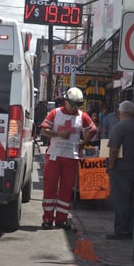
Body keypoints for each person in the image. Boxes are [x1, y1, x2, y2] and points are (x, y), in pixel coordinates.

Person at [40, 87, 97, 230]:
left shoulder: (82, 116)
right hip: (54, 156)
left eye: (78, 105)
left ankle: (61, 220)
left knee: (66, 189)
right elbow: (43, 130)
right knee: (50, 187)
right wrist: (59, 135)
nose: (74, 108)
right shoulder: (55, 113)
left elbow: (93, 129)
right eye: (73, 105)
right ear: (66, 102)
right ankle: (47, 218)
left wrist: (83, 144)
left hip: (71, 157)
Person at [106, 101, 134, 240]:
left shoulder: (118, 127)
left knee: (121, 202)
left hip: (121, 169)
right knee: (132, 202)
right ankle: (130, 230)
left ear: (119, 113)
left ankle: (121, 230)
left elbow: (113, 150)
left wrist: (111, 166)